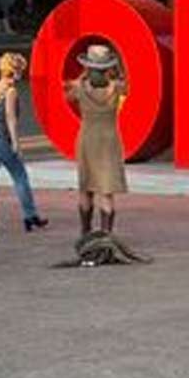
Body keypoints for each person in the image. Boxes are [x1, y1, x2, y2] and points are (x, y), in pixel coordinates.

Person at [0, 52, 47, 237]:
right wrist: (16, 143)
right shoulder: (10, 91)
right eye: (20, 70)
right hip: (0, 139)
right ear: (16, 72)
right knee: (20, 176)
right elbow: (10, 118)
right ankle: (30, 216)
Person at [66, 45, 128, 238]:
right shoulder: (117, 88)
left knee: (86, 188)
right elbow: (126, 84)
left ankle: (85, 231)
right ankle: (106, 233)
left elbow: (68, 97)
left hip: (87, 139)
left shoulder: (80, 88)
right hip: (109, 140)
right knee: (106, 190)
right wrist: (114, 72)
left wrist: (82, 77)